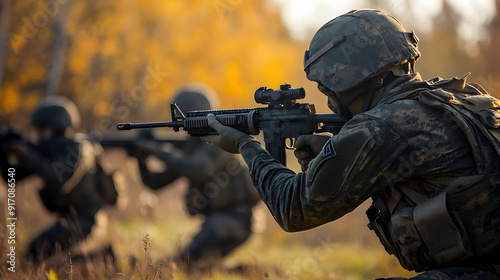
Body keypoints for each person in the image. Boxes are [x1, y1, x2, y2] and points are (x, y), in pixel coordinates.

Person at [202, 9, 500, 280]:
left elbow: (293, 209)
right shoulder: (462, 98)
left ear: (350, 77)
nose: (330, 99)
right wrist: (336, 150)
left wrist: (245, 146)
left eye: (328, 87)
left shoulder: (380, 126)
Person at [133, 84, 261, 268]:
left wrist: (158, 151)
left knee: (185, 262)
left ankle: (243, 271)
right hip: (219, 221)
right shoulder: (190, 150)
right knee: (192, 263)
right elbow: (155, 183)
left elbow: (198, 170)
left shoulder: (220, 142)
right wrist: (141, 159)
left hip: (234, 221)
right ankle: (233, 270)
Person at [0, 96, 117, 263]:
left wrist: (28, 156)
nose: (39, 134)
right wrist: (4, 154)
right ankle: (102, 257)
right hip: (70, 219)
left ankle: (103, 258)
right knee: (42, 258)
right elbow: (12, 177)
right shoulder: (46, 151)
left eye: (44, 129)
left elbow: (59, 180)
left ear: (58, 127)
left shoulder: (78, 148)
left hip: (86, 219)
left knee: (36, 251)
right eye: (37, 129)